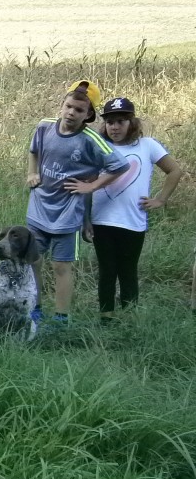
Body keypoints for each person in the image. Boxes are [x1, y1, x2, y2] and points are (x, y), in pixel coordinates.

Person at [26, 80, 128, 324]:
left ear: (89, 114)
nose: (72, 113)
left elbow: (120, 165)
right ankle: (34, 310)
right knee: (33, 262)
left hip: (68, 214)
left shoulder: (91, 140)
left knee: (61, 267)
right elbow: (34, 151)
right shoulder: (44, 127)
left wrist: (91, 186)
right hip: (38, 208)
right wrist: (32, 173)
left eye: (79, 110)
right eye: (69, 106)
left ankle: (61, 318)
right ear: (61, 105)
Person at [86, 96, 185, 321]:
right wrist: (85, 219)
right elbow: (87, 181)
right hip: (102, 220)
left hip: (133, 221)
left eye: (121, 121)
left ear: (132, 122)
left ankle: (130, 317)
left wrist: (160, 199)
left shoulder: (147, 145)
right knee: (107, 271)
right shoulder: (100, 146)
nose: (115, 127)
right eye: (110, 122)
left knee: (128, 271)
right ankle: (106, 317)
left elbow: (175, 171)